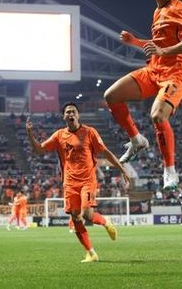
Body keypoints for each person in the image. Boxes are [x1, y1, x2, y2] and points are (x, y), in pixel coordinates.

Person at [104, 0, 182, 190]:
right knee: (112, 96)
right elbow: (156, 45)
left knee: (157, 116)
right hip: (154, 70)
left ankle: (170, 171)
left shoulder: (179, 9)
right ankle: (137, 140)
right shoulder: (157, 11)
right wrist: (134, 41)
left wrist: (163, 52)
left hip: (175, 75)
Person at [26, 102, 130, 263]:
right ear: (63, 116)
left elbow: (106, 152)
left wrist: (122, 169)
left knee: (87, 214)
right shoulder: (59, 135)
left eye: (73, 111)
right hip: (69, 183)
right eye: (67, 112)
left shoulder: (89, 132)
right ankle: (91, 253)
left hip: (88, 180)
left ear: (78, 115)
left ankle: (105, 221)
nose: (71, 114)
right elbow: (39, 149)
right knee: (75, 218)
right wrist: (29, 133)